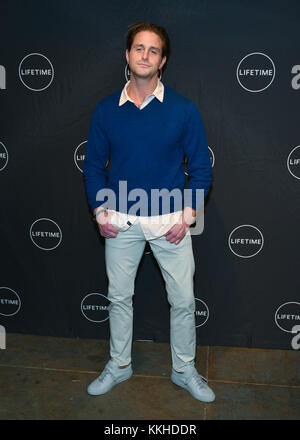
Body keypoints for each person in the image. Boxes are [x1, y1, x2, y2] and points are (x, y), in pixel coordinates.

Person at [83, 22, 215, 402]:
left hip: (168, 220)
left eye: (152, 50)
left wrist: (187, 214)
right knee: (119, 297)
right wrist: (99, 209)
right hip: (121, 218)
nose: (144, 55)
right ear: (127, 56)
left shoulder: (184, 110)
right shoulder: (106, 110)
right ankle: (119, 365)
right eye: (138, 48)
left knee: (184, 301)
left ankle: (184, 369)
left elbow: (201, 168)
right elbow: (93, 165)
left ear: (163, 60)